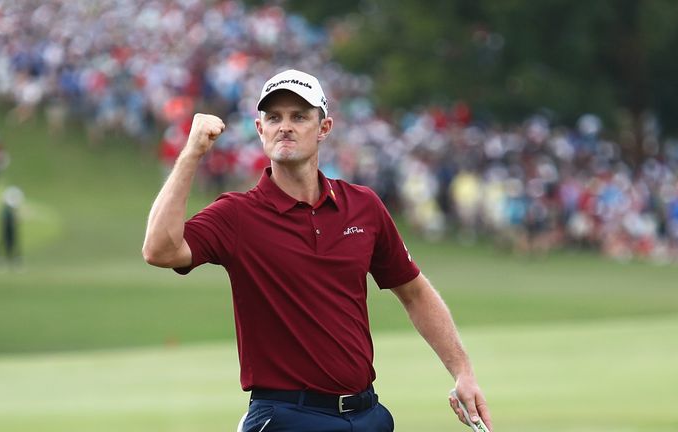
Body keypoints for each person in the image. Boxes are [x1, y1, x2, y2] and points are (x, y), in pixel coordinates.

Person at [143, 69, 493, 431]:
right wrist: (192, 153)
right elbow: (160, 250)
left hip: (368, 414)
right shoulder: (238, 214)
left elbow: (415, 292)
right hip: (286, 416)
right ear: (260, 130)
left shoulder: (363, 205)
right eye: (273, 118)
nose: (285, 127)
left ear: (324, 128)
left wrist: (463, 371)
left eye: (299, 117)